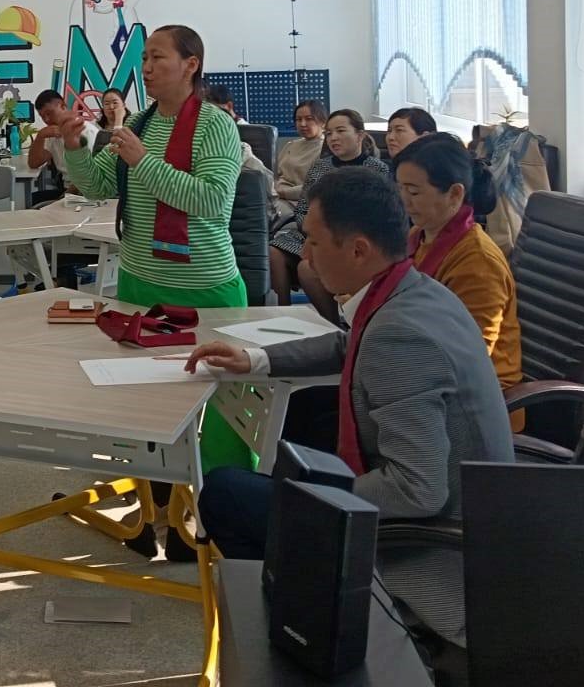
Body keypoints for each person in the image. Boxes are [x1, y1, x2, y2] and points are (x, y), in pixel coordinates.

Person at [188, 168, 514, 646]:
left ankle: (311, 627)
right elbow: (351, 344)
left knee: (225, 494)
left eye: (314, 242)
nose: (306, 255)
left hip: (433, 550)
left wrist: (313, 503)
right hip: (473, 503)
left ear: (359, 250)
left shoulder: (399, 337)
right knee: (302, 418)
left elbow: (418, 490)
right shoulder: (415, 290)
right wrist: (257, 359)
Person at [59, 25, 250, 482]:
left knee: (224, 411)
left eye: (157, 58)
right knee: (142, 400)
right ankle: (154, 491)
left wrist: (143, 161)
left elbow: (211, 200)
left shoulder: (215, 125)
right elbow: (98, 186)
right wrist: (74, 148)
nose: (145, 68)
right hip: (139, 281)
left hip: (204, 287)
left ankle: (225, 498)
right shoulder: (140, 123)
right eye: (143, 58)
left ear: (191, 65)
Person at [392, 134, 523, 396]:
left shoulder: (478, 261)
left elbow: (466, 356)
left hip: (476, 397)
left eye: (414, 192)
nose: (404, 200)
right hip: (425, 370)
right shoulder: (418, 236)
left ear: (454, 194)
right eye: (401, 189)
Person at [270, 108, 384, 315]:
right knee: (274, 253)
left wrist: (330, 237)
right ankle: (283, 315)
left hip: (352, 239)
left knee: (307, 268)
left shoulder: (376, 169)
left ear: (359, 135)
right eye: (329, 133)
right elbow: (303, 209)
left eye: (340, 131)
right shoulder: (320, 167)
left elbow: (376, 216)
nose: (333, 138)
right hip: (311, 234)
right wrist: (313, 233)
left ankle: (332, 323)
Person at [28, 89, 100, 187]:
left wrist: (67, 194)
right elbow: (33, 163)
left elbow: (93, 175)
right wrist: (40, 136)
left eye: (49, 113)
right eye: (42, 116)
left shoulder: (86, 131)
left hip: (86, 190)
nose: (46, 120)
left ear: (63, 106)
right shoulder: (51, 134)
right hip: (66, 187)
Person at [274, 99, 328, 216]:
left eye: (309, 119)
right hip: (275, 195)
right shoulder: (291, 145)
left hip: (298, 201)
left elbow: (315, 187)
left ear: (323, 122)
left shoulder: (325, 150)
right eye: (298, 119)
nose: (303, 124)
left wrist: (280, 192)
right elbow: (275, 174)